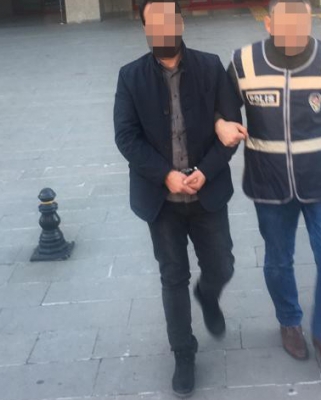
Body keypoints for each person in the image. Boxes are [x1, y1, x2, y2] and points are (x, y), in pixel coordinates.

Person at [215, 0, 321, 379]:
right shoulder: (244, 62)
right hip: (269, 182)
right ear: (269, 24)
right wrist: (221, 122)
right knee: (277, 259)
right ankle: (289, 321)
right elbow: (221, 107)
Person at [113, 0, 242, 397]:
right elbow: (126, 137)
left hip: (207, 193)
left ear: (181, 23)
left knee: (222, 264)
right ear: (145, 29)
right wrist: (165, 175)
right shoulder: (130, 76)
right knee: (173, 277)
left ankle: (208, 294)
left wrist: (208, 170)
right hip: (161, 200)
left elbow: (231, 127)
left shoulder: (210, 66)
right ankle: (183, 353)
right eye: (153, 23)